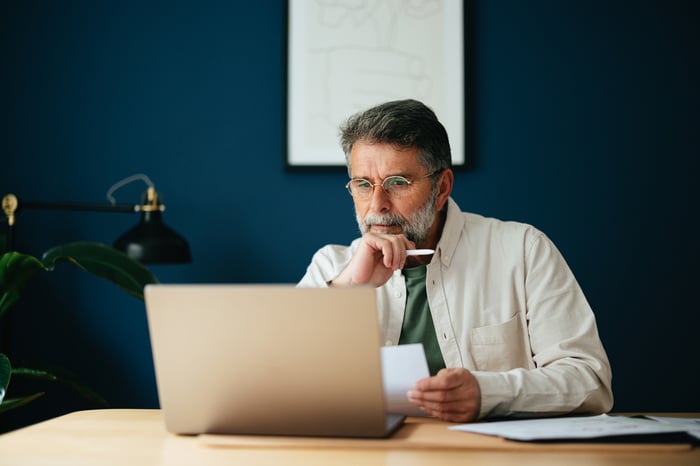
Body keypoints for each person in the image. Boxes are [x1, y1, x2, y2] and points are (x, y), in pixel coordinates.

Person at [298, 99, 613, 423]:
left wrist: (488, 393)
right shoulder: (331, 268)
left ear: (442, 187)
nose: (378, 205)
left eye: (397, 183)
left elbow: (590, 382)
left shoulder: (522, 250)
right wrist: (349, 288)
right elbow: (276, 377)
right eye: (364, 185)